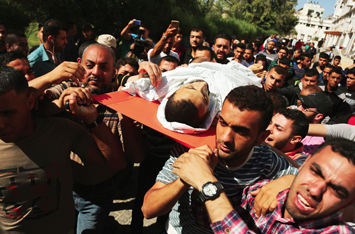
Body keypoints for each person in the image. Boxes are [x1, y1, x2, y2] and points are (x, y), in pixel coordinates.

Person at [142, 85, 298, 234]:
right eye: (223, 123)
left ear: (262, 137)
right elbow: (148, 210)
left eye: (241, 131)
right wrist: (186, 177)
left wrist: (290, 180)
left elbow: (310, 177)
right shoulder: (190, 147)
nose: (225, 138)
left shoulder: (267, 161)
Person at [43, 43, 155, 233]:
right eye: (90, 65)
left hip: (99, 192)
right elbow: (35, 107)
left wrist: (127, 113)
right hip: (62, 189)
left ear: (114, 73)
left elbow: (136, 156)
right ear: (79, 65)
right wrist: (60, 103)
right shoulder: (67, 87)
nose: (95, 72)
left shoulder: (124, 100)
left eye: (104, 67)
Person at [0, 66, 125, 234]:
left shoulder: (62, 131)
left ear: (30, 101)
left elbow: (115, 162)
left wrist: (92, 119)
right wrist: (51, 76)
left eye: (8, 113)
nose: (1, 124)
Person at [171, 138, 355, 233]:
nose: (315, 191)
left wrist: (207, 184)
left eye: (337, 190)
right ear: (303, 164)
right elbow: (207, 221)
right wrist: (198, 182)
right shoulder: (265, 190)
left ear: (348, 204)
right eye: (315, 172)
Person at [123, 60, 261, 133]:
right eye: (205, 96)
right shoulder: (227, 101)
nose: (202, 86)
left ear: (171, 94)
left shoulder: (164, 85)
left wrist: (144, 68)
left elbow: (131, 84)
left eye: (190, 87)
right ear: (208, 111)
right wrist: (246, 74)